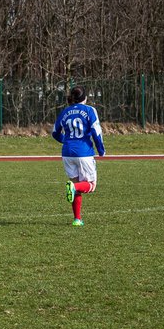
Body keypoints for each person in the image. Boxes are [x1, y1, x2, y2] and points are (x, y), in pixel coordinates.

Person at [52, 86, 106, 226]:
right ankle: (74, 189)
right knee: (90, 185)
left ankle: (77, 219)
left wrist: (66, 140)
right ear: (85, 98)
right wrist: (101, 149)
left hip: (67, 153)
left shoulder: (65, 111)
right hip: (84, 153)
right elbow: (96, 131)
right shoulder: (89, 110)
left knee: (76, 185)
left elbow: (55, 132)